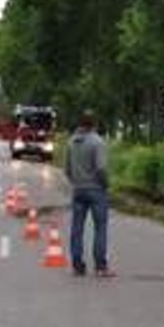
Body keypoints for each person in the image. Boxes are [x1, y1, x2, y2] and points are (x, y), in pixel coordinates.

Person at [65, 111, 115, 278]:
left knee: (76, 229)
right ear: (95, 124)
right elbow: (101, 168)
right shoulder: (97, 142)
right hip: (96, 190)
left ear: (80, 124)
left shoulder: (71, 142)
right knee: (100, 227)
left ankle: (77, 266)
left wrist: (76, 181)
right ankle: (101, 267)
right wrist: (106, 185)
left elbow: (67, 169)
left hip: (78, 190)